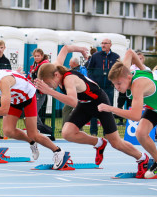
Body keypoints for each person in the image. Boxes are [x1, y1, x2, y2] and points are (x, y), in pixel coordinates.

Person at [35, 45, 148, 178]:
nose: (48, 86)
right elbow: (65, 48)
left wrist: (50, 91)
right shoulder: (55, 67)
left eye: (48, 83)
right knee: (67, 133)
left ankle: (142, 158)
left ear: (55, 75)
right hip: (85, 105)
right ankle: (99, 143)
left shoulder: (68, 79)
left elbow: (72, 102)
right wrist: (81, 49)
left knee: (116, 142)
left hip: (100, 102)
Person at [0, 67, 66, 169]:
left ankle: (58, 151)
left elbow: (4, 110)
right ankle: (31, 142)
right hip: (14, 99)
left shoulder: (2, 82)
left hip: (28, 97)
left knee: (33, 134)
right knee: (8, 131)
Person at [98, 49, 157, 179]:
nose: (117, 87)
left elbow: (135, 116)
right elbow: (130, 52)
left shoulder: (138, 85)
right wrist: (142, 67)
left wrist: (111, 108)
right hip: (155, 108)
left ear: (128, 77)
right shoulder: (125, 71)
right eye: (114, 84)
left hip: (156, 105)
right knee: (140, 134)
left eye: (119, 83)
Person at [87, 39, 120, 136]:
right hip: (97, 88)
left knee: (107, 110)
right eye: (102, 43)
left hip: (109, 88)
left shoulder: (116, 57)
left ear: (110, 45)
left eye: (105, 43)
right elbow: (90, 70)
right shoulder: (95, 56)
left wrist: (114, 82)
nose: (103, 45)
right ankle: (93, 132)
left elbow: (119, 70)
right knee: (94, 108)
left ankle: (107, 132)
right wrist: (93, 83)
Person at [116, 51, 151, 126]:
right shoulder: (130, 68)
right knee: (121, 103)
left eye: (140, 58)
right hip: (128, 91)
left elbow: (130, 52)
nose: (139, 60)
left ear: (143, 59)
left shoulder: (146, 69)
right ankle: (121, 120)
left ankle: (129, 121)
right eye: (137, 58)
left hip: (139, 92)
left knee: (133, 106)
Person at [28, 48, 54, 140]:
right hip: (35, 89)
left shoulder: (44, 65)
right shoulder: (36, 65)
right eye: (35, 56)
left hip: (40, 91)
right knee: (33, 111)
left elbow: (43, 77)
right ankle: (40, 128)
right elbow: (32, 76)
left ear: (42, 56)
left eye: (38, 56)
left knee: (34, 111)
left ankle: (47, 130)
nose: (36, 57)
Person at [62, 57, 88, 127]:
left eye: (70, 62)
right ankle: (77, 128)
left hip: (77, 95)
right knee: (76, 111)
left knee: (66, 110)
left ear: (74, 63)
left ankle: (65, 127)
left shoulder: (75, 72)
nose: (69, 64)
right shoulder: (82, 70)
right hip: (79, 94)